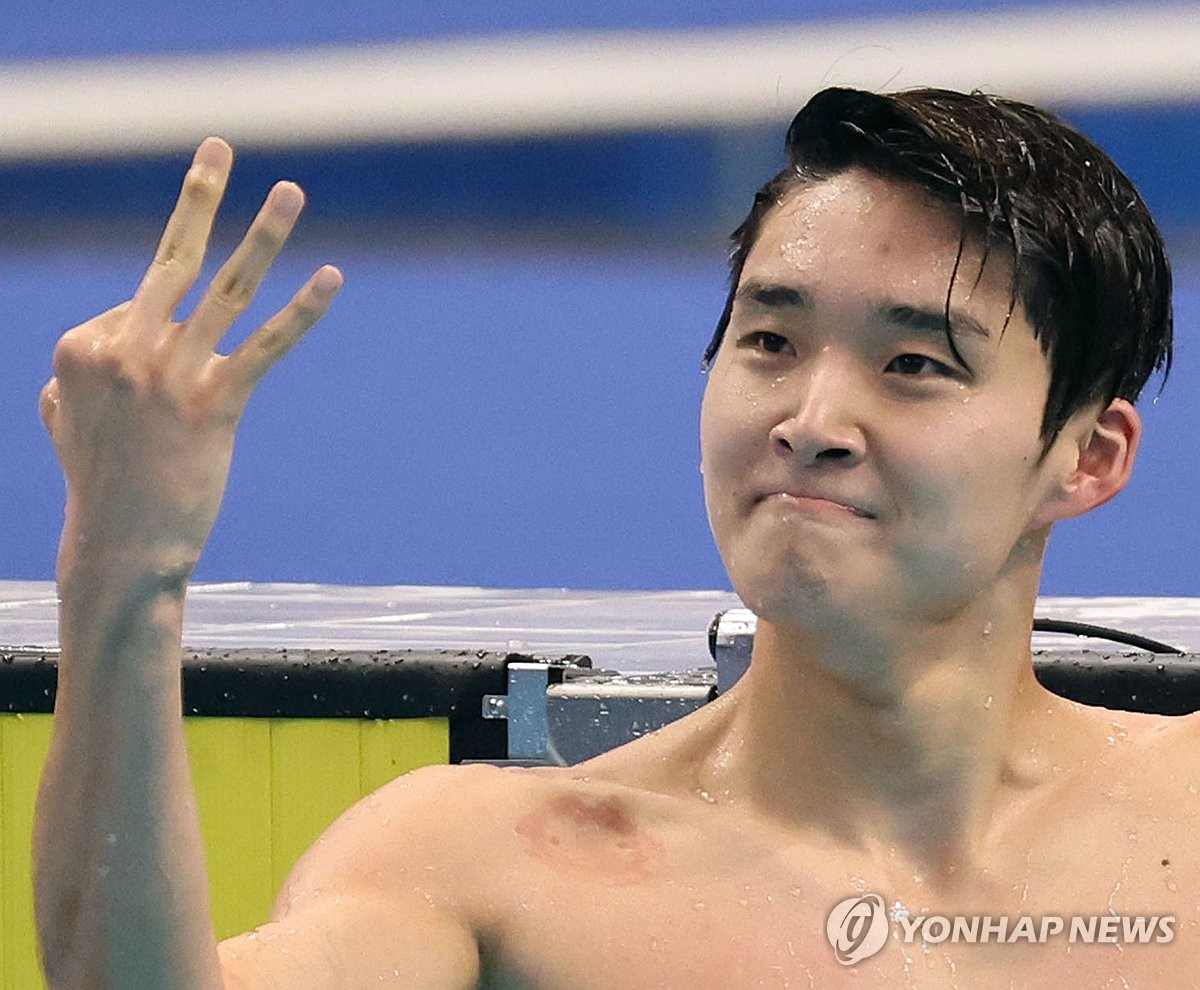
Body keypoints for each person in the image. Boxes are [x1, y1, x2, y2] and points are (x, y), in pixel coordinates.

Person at [33, 86, 1195, 989]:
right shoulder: (497, 870)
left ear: (1086, 457)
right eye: (770, 343)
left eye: (913, 366)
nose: (811, 422)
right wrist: (123, 565)